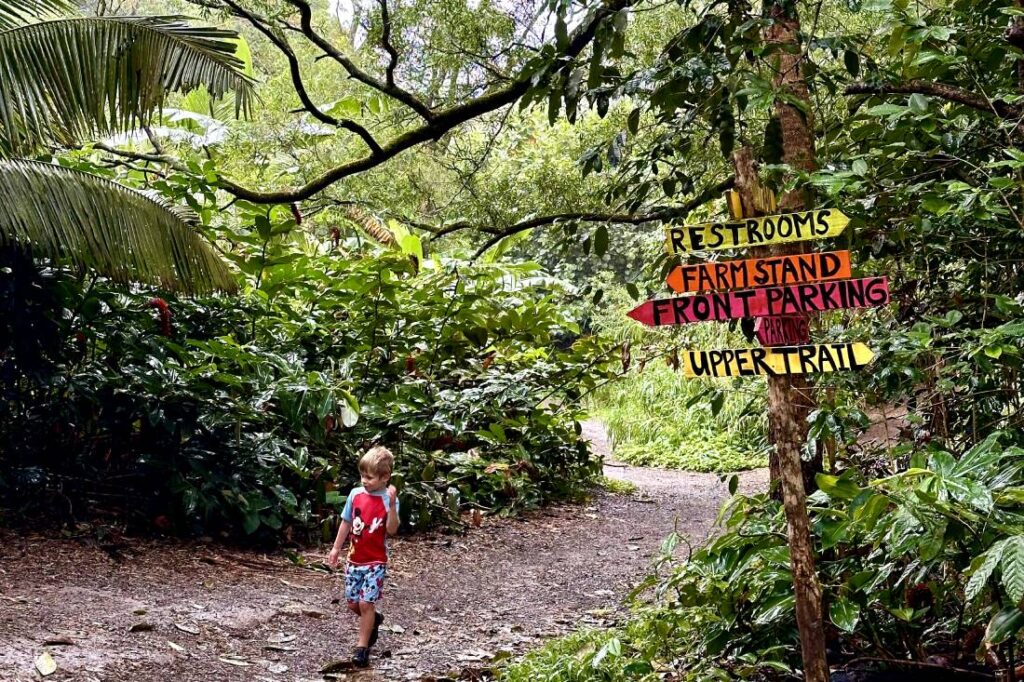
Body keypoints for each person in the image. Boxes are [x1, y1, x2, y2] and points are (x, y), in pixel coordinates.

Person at [327, 446, 400, 667]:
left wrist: (393, 505)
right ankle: (374, 621)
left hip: (376, 561)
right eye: (362, 476)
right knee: (353, 604)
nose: (364, 481)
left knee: (366, 603)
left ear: (385, 477)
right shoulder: (355, 494)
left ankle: (361, 647)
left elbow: (392, 529)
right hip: (354, 559)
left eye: (369, 477)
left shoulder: (388, 499)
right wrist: (335, 548)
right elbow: (346, 521)